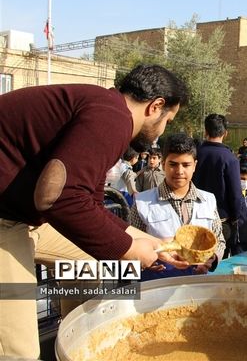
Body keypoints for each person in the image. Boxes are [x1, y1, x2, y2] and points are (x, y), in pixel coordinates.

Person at [0, 64, 190, 359]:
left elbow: (89, 205)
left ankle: (75, 343)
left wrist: (158, 245)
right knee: (18, 352)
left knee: (90, 261)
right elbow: (57, 197)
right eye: (168, 120)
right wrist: (129, 250)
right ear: (156, 106)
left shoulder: (103, 109)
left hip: (25, 216)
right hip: (5, 221)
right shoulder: (112, 116)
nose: (161, 132)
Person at [130, 133, 225, 281]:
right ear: (163, 165)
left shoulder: (208, 200)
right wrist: (146, 261)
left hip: (196, 286)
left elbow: (219, 239)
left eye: (186, 165)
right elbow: (130, 246)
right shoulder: (142, 203)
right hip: (156, 287)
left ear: (195, 165)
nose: (180, 171)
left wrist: (211, 258)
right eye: (173, 164)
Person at [191, 114, 242, 258]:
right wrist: (236, 217)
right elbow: (236, 195)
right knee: (216, 262)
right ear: (225, 133)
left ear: (205, 132)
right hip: (221, 221)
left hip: (193, 219)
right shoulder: (229, 159)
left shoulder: (194, 155)